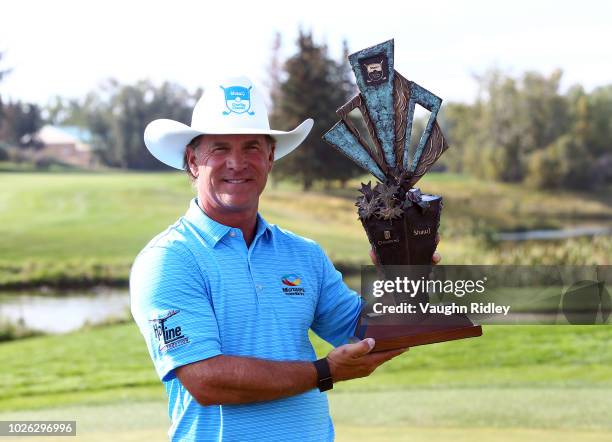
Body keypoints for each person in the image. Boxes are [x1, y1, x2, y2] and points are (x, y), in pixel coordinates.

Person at [130, 76, 440, 441]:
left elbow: (367, 333)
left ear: (271, 157)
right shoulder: (169, 259)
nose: (237, 163)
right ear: (192, 160)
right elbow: (206, 380)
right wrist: (324, 371)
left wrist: (403, 276)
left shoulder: (304, 254)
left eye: (251, 147)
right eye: (219, 149)